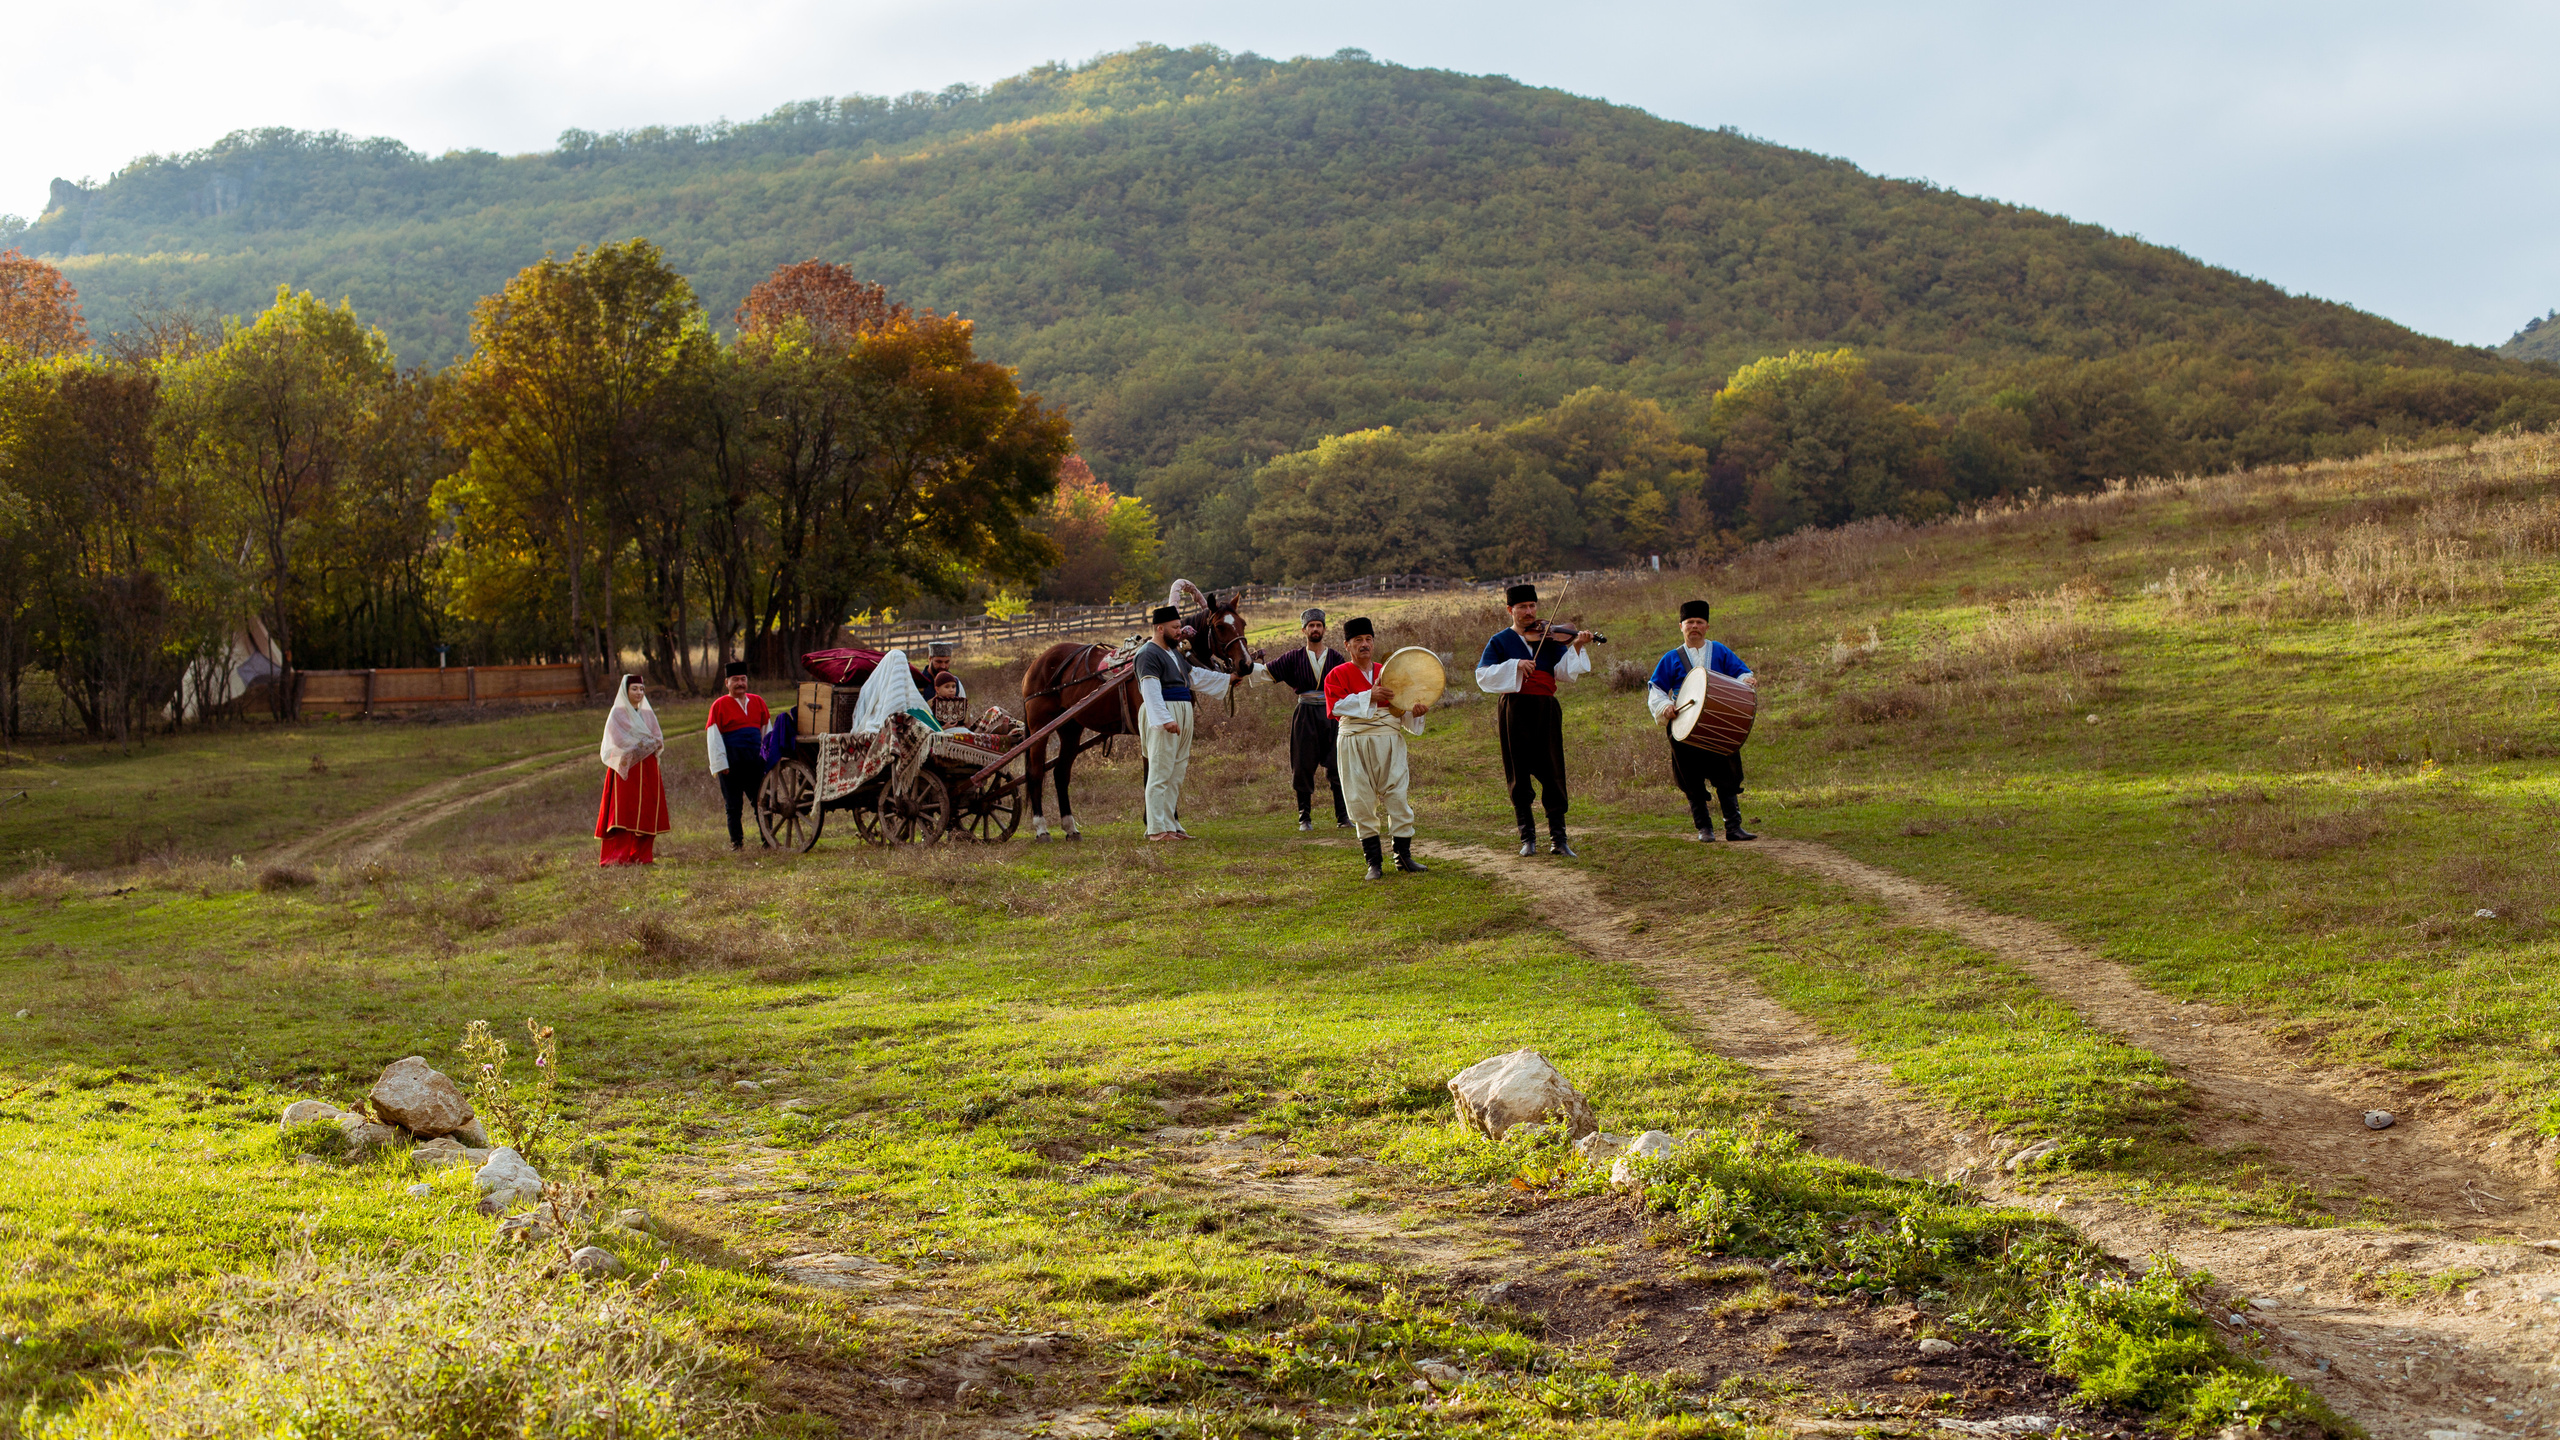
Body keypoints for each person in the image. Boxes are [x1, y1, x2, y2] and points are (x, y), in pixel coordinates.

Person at [1475, 583, 1592, 858]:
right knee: (1518, 769)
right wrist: (1514, 665)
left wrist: (1576, 646)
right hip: (1514, 708)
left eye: (1532, 606)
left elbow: (1563, 673)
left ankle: (1559, 839)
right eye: (1522, 607)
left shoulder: (1549, 638)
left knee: (1553, 769)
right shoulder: (1500, 641)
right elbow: (1482, 675)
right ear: (1510, 610)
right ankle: (1527, 838)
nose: (1529, 612)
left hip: (1546, 707)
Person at [1323, 617, 1430, 879]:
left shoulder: (1390, 671)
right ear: (1347, 645)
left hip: (1389, 739)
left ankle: (1403, 857)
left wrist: (1416, 712)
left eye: (1368, 639)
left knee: (1398, 795)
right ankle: (1374, 863)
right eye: (1358, 640)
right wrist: (1369, 695)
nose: (1364, 645)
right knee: (1360, 798)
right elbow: (1335, 707)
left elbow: (1402, 709)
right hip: (1354, 742)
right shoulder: (1336, 674)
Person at [1646, 600, 1758, 842]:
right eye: (1689, 623)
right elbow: (1655, 688)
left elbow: (1741, 672)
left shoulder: (1720, 651)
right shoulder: (1671, 658)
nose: (1694, 626)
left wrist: (1746, 680)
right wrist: (1665, 707)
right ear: (1681, 627)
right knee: (1691, 777)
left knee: (1726, 774)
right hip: (1683, 727)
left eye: (1699, 622)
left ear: (1707, 626)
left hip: (1718, 726)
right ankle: (1704, 829)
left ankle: (1733, 827)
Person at [1135, 603, 1246, 841]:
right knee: (1160, 770)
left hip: (1182, 710)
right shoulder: (1147, 653)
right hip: (1165, 710)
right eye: (1175, 628)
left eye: (1179, 626)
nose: (1180, 631)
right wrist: (1164, 719)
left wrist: (1227, 679)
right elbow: (1150, 688)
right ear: (1159, 628)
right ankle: (1156, 829)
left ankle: (1170, 825)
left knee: (1176, 771)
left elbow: (1194, 676)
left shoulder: (1173, 652)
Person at [1261, 607, 1350, 831]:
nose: (1315, 629)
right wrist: (1244, 668)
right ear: (1304, 630)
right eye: (1311, 626)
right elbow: (1266, 672)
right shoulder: (1294, 657)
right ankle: (1305, 819)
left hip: (1331, 716)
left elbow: (1347, 684)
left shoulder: (1336, 657)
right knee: (1302, 764)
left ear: (1324, 629)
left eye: (1319, 625)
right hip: (1305, 715)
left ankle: (1342, 817)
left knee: (1336, 765)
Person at [596, 674, 669, 866]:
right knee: (625, 811)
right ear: (625, 691)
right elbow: (619, 740)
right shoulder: (617, 713)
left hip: (648, 767)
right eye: (634, 689)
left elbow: (657, 737)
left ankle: (642, 855)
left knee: (647, 809)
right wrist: (642, 744)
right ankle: (619, 856)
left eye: (641, 689)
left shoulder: (647, 713)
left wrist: (648, 743)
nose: (638, 693)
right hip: (627, 767)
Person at [705, 661, 770, 850]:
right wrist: (720, 764)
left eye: (743, 679)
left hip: (755, 762)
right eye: (735, 680)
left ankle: (768, 839)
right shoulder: (719, 706)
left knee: (762, 803)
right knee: (733, 807)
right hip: (731, 764)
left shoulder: (758, 702)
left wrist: (767, 759)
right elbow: (714, 737)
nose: (740, 683)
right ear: (727, 682)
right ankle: (737, 842)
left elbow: (767, 732)